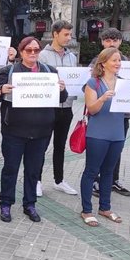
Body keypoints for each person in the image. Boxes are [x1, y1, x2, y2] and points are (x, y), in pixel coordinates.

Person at [0, 37, 67, 222]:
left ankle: (30, 204)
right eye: (29, 50)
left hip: (41, 131)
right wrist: (2, 89)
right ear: (21, 52)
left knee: (33, 170)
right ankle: (6, 203)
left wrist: (61, 89)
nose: (33, 53)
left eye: (36, 50)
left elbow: (62, 98)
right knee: (10, 169)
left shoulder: (50, 72)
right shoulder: (8, 71)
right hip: (14, 130)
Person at [89, 28, 130, 197]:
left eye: (115, 40)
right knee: (99, 150)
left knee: (116, 149)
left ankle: (113, 180)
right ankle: (96, 181)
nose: (111, 43)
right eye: (107, 40)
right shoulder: (96, 62)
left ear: (120, 42)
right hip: (103, 115)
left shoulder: (127, 62)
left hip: (122, 115)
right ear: (102, 42)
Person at [79, 48, 126, 227]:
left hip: (117, 134)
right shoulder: (94, 83)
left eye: (119, 60)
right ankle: (86, 210)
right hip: (97, 134)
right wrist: (103, 98)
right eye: (114, 60)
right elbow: (91, 109)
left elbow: (129, 109)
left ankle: (105, 207)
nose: (117, 63)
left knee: (109, 172)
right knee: (92, 171)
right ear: (103, 63)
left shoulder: (122, 83)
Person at [38, 20, 79, 197]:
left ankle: (59, 180)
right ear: (55, 34)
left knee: (60, 145)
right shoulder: (43, 56)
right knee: (42, 145)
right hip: (48, 107)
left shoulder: (72, 57)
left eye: (70, 35)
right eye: (65, 34)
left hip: (67, 107)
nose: (69, 38)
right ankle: (36, 180)